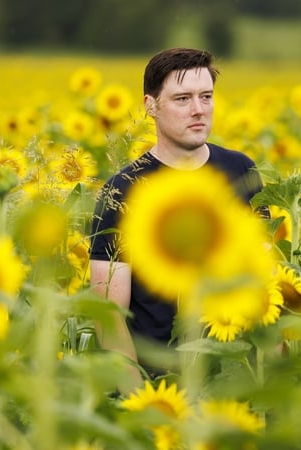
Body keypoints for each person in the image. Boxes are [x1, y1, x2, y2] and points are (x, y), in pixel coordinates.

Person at [89, 48, 267, 389]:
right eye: (182, 98)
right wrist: (139, 401)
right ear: (150, 106)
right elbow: (108, 316)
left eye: (206, 96)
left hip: (234, 377)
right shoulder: (123, 190)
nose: (198, 109)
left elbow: (265, 277)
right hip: (160, 382)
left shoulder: (242, 171)